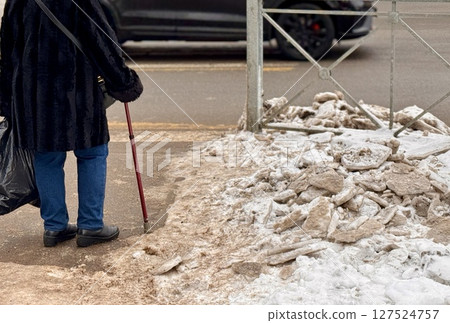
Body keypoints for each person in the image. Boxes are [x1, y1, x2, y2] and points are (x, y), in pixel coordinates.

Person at [0, 0, 143, 247]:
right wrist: (123, 82)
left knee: (46, 156)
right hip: (78, 92)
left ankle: (54, 227)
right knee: (93, 153)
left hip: (33, 95)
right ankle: (90, 226)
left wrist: (6, 100)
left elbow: (7, 52)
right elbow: (101, 43)